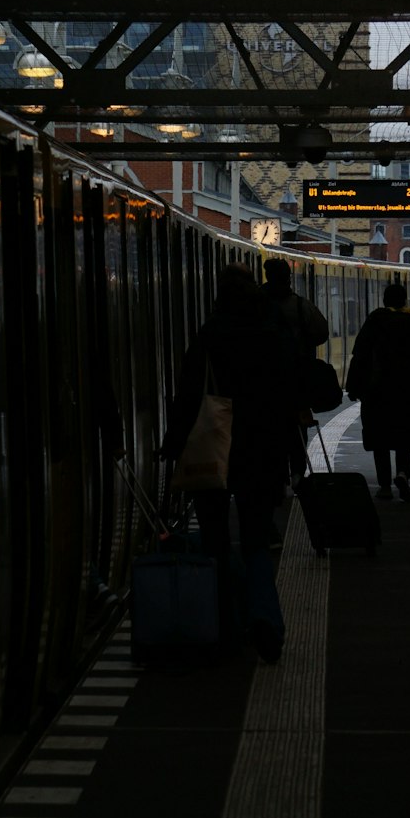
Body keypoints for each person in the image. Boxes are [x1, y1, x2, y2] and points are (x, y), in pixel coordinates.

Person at [162, 261, 298, 662]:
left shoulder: (209, 337)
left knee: (217, 543)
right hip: (263, 451)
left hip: (214, 450)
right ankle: (266, 620)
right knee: (257, 541)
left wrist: (173, 444)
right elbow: (292, 392)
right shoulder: (275, 337)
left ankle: (225, 627)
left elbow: (189, 396)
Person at [345, 282, 410, 501]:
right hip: (407, 389)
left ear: (384, 300)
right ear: (404, 300)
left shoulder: (375, 321)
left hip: (378, 390)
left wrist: (354, 386)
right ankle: (403, 473)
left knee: (380, 437)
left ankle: (384, 485)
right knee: (406, 435)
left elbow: (360, 355)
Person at [261, 257, 330, 487]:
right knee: (298, 427)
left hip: (263, 381)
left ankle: (275, 473)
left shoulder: (254, 304)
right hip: (297, 379)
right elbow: (321, 332)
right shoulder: (300, 305)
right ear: (288, 277)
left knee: (269, 429)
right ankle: (297, 473)